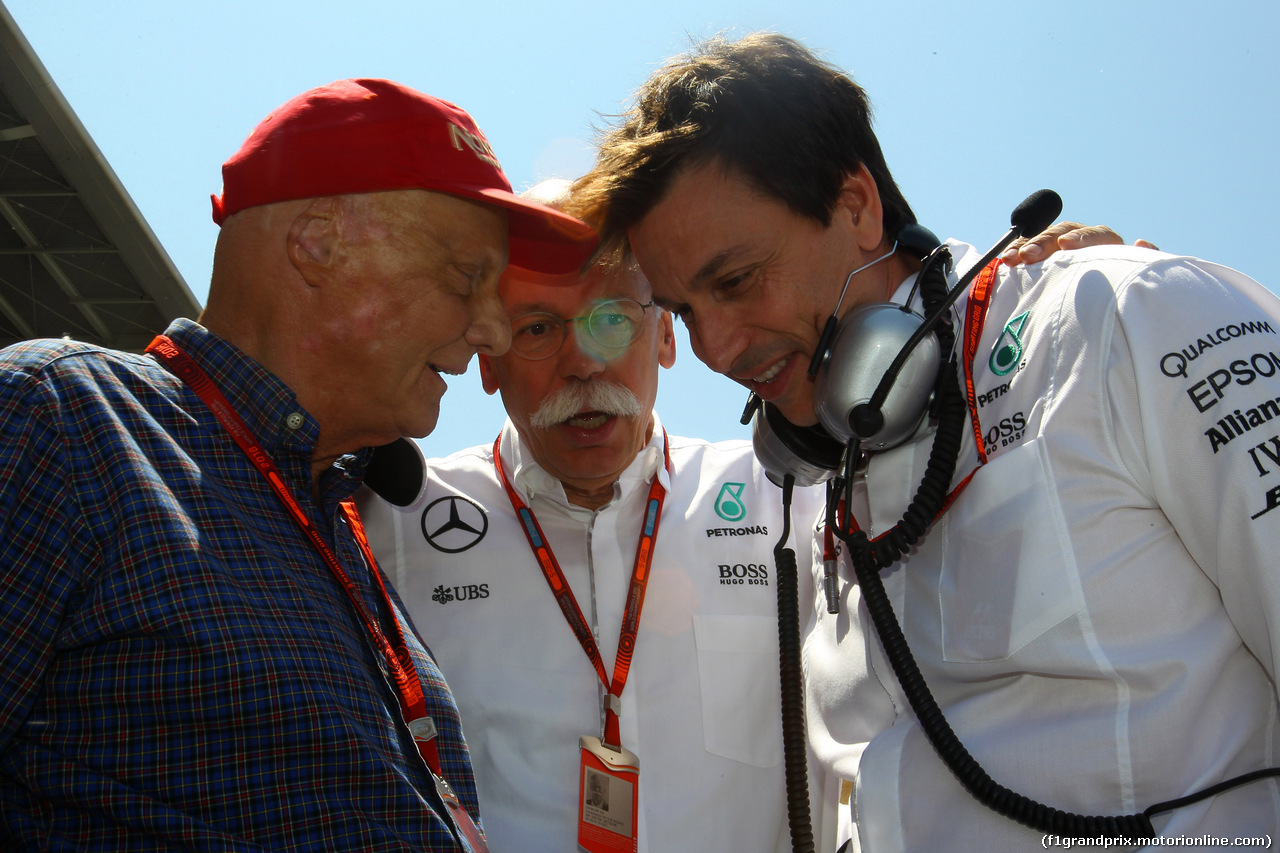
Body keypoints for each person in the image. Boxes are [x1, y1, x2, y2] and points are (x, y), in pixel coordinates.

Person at [568, 33, 1280, 851]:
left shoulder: (1122, 318)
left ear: (858, 204)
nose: (718, 350)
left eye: (734, 281)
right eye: (685, 311)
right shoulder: (807, 477)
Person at [356, 178, 1116, 852]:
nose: (581, 361)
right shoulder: (387, 522)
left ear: (665, 336)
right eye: (537, 329)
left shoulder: (795, 496)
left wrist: (1056, 295)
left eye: (612, 319)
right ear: (485, 357)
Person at [0, 78, 594, 851]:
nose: (492, 330)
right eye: (466, 278)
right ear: (317, 242)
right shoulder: (62, 416)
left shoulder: (336, 518)